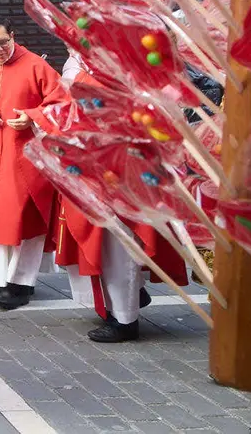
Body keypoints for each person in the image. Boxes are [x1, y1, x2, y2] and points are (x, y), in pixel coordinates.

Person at [55, 65, 189, 343]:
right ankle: (126, 302)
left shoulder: (128, 76)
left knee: (120, 249)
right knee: (110, 248)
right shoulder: (87, 74)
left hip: (122, 174)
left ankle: (125, 320)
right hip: (97, 171)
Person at [0, 16, 70, 310]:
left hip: (26, 159)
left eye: (3, 42)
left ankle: (22, 283)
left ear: (13, 35)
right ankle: (1, 280)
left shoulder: (36, 66)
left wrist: (32, 117)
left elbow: (60, 104)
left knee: (27, 217)